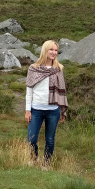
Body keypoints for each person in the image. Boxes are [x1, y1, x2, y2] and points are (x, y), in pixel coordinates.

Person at [25, 40, 68, 168]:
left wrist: (61, 110)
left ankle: (46, 164)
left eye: (56, 50)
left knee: (50, 139)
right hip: (36, 109)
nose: (54, 52)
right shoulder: (33, 68)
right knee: (31, 139)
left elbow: (62, 90)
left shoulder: (58, 69)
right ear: (45, 50)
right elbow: (29, 91)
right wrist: (28, 110)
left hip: (53, 110)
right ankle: (34, 159)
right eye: (51, 49)